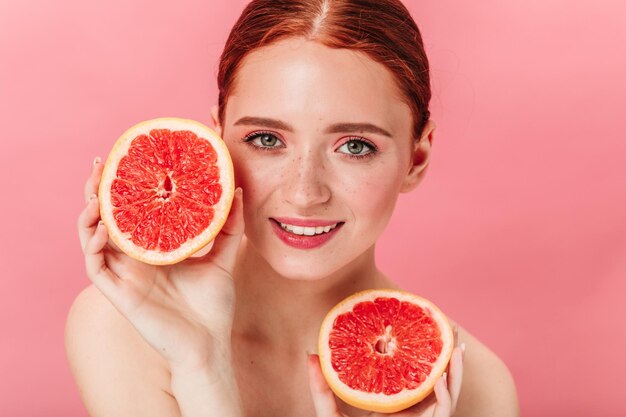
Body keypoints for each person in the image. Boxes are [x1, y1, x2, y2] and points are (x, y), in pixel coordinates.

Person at [66, 0, 520, 416]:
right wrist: (202, 364)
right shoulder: (124, 327)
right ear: (219, 139)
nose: (305, 193)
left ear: (416, 158)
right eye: (266, 140)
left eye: (356, 146)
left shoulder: (471, 388)